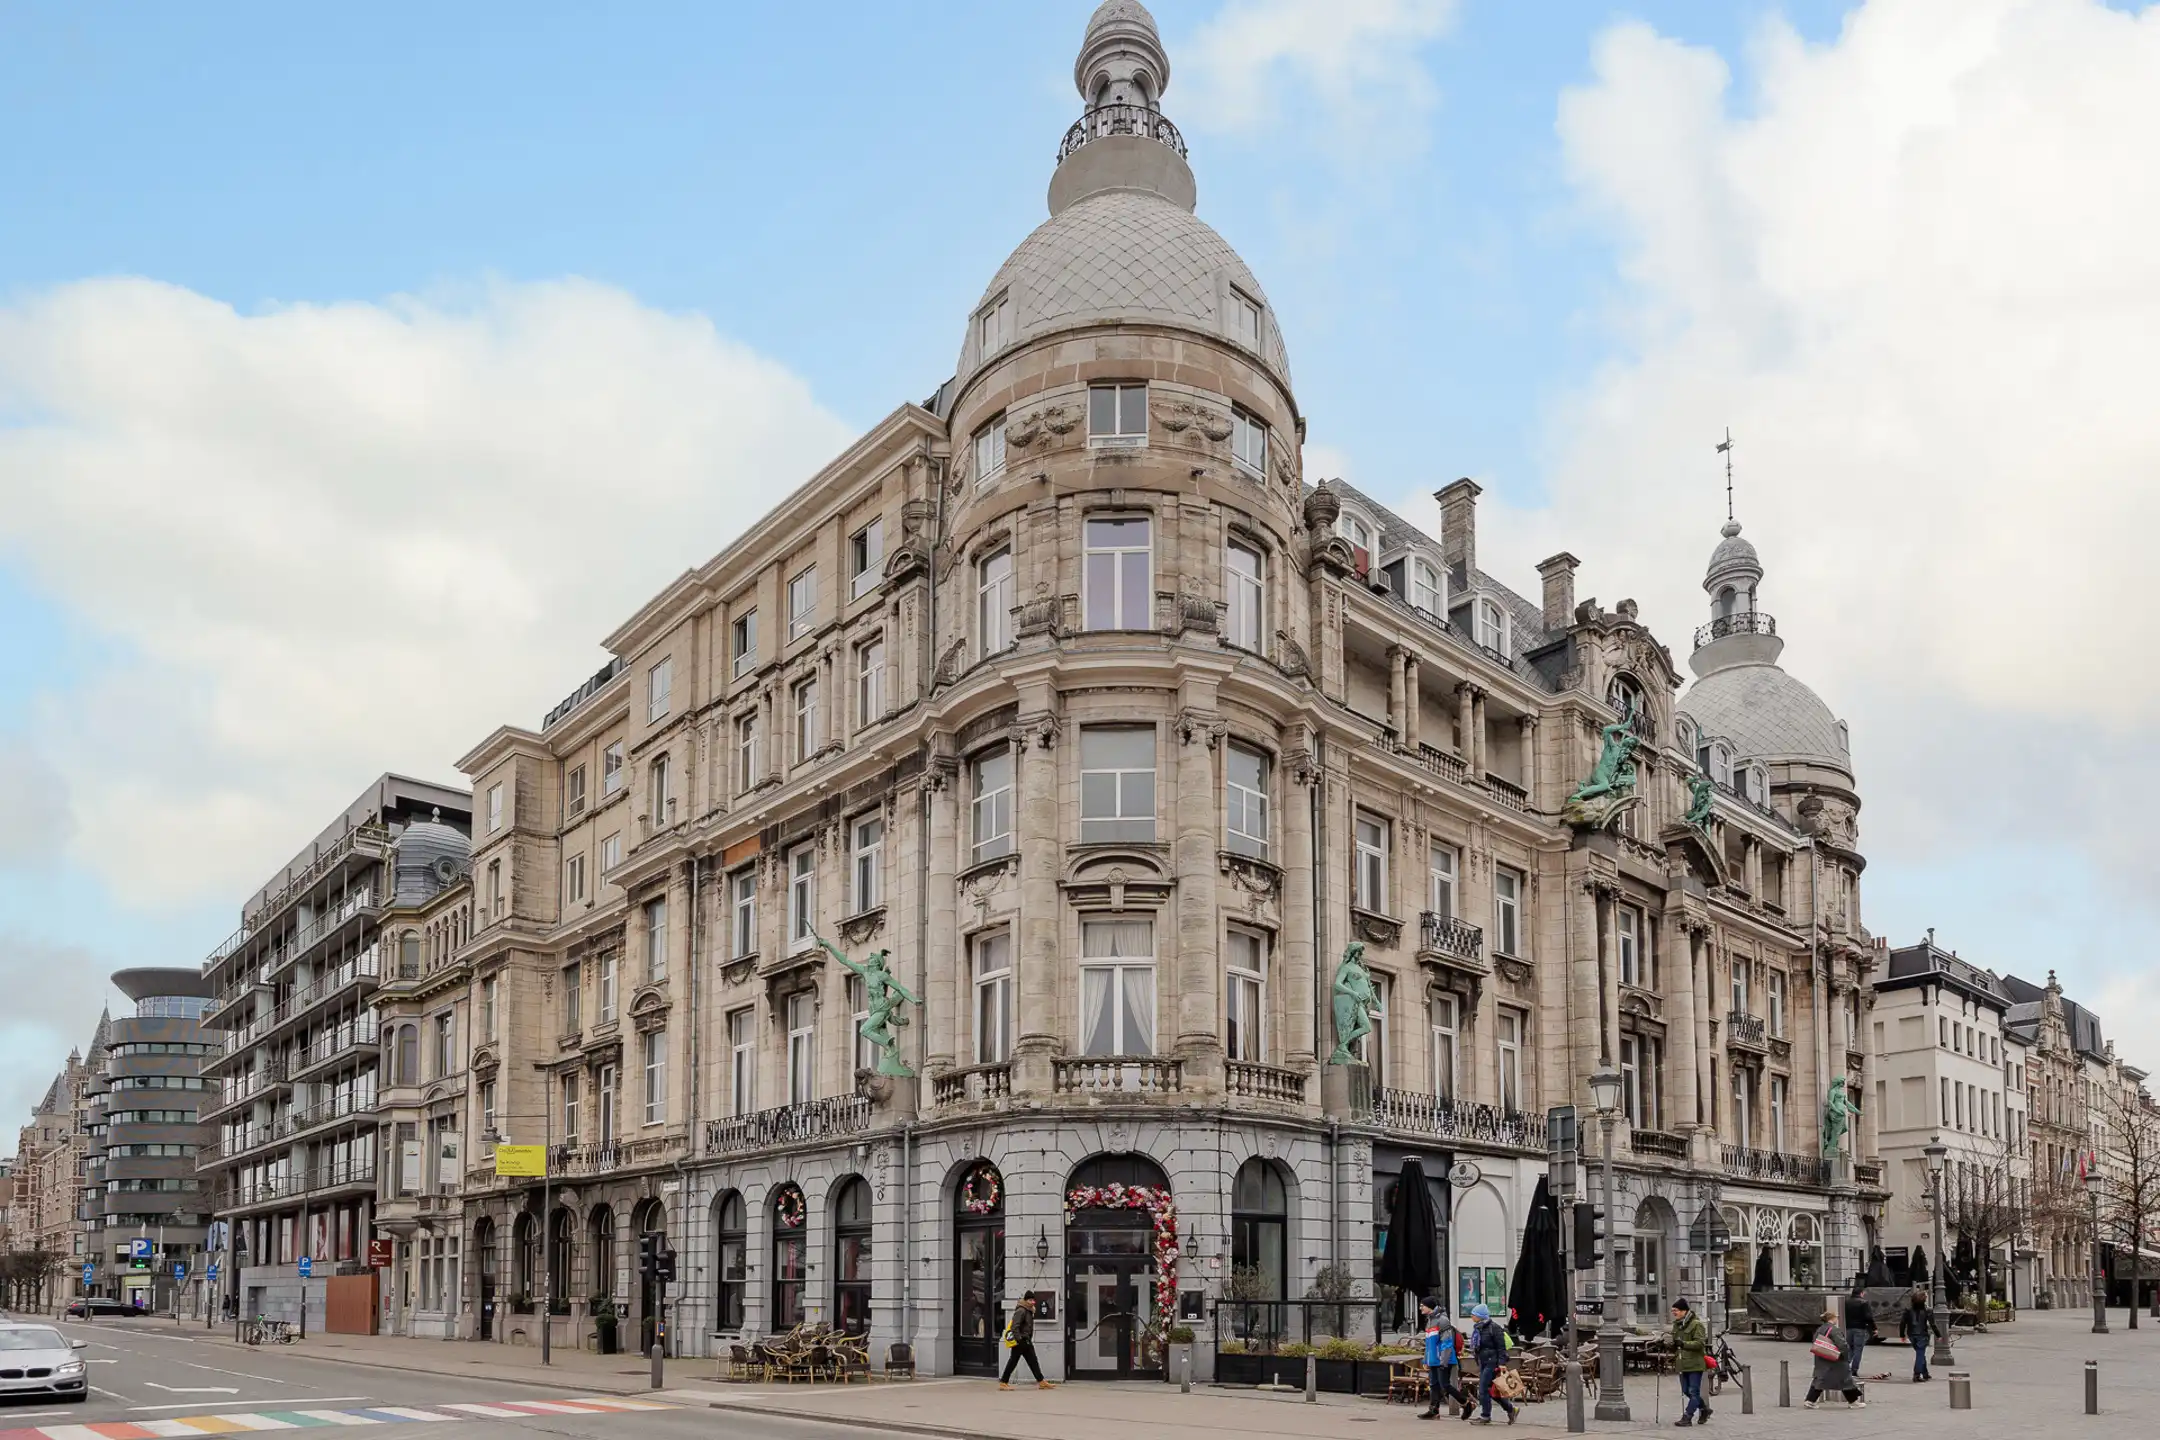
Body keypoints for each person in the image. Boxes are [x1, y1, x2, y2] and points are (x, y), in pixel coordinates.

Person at [1803, 1305, 1863, 1409]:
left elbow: (1815, 1341)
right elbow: (1842, 1345)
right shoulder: (1834, 1330)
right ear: (1832, 1318)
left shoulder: (1820, 1329)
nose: (1837, 1319)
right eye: (1836, 1317)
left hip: (1821, 1358)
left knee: (1819, 1379)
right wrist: (1845, 1356)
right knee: (1845, 1379)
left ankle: (1810, 1400)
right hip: (1835, 1360)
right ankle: (1853, 1402)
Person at [1468, 1303, 1517, 1426]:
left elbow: (1501, 1347)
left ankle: (1485, 1416)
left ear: (1480, 1316)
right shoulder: (1478, 1328)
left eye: (1473, 1315)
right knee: (1492, 1391)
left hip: (1492, 1362)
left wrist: (1501, 1363)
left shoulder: (1494, 1328)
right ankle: (1511, 1409)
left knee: (1483, 1389)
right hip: (1483, 1361)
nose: (1471, 1317)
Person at [1670, 1296, 1711, 1426]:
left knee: (1694, 1391)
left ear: (1684, 1311)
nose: (1674, 1313)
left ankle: (1687, 1417)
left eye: (1676, 1310)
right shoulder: (1677, 1325)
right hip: (1682, 1363)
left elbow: (1699, 1343)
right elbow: (1674, 1342)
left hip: (1695, 1363)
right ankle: (1705, 1409)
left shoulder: (1696, 1325)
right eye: (1673, 1311)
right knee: (1686, 1391)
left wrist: (1683, 1344)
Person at [998, 1294, 1052, 1390]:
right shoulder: (1021, 1310)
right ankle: (1003, 1382)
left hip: (1026, 1340)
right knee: (1013, 1361)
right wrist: (1019, 1339)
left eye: (1033, 1300)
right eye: (1030, 1300)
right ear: (1026, 1300)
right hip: (1021, 1340)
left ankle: (1041, 1381)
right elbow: (1014, 1326)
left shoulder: (1029, 1311)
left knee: (1033, 1361)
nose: (1033, 1302)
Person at [1842, 1279, 1875, 1390]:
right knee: (1858, 1349)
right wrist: (1874, 1328)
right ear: (1861, 1293)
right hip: (1860, 1328)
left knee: (1849, 1348)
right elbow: (1868, 1317)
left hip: (1848, 1328)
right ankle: (1854, 1370)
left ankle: (1845, 1367)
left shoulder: (1846, 1302)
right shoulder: (1864, 1303)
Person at [1899, 1285, 1933, 1382]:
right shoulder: (1927, 1310)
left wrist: (1902, 1335)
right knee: (1920, 1354)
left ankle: (1925, 1373)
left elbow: (1902, 1323)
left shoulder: (1908, 1310)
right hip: (1922, 1334)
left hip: (1911, 1334)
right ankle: (1917, 1374)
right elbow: (1933, 1324)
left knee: (1921, 1354)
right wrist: (1938, 1335)